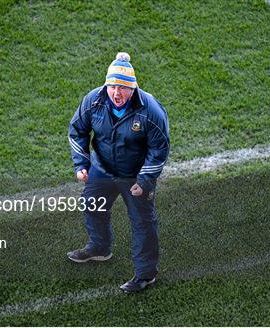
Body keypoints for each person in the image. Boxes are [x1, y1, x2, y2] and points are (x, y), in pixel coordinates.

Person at [67, 52, 170, 293]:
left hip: (135, 174)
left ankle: (146, 274)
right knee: (92, 204)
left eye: (123, 88)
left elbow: (160, 148)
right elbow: (77, 131)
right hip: (102, 168)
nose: (117, 93)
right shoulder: (93, 101)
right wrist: (81, 164)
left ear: (133, 88)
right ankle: (100, 248)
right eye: (113, 86)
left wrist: (144, 181)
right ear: (106, 84)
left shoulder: (151, 110)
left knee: (142, 222)